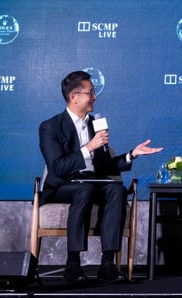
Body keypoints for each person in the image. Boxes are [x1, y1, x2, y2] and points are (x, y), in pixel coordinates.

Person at [38, 70, 163, 283]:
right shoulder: (50, 126)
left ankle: (108, 264)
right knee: (84, 190)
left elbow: (105, 165)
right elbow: (57, 167)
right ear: (74, 97)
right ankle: (73, 263)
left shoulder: (96, 123)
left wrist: (132, 154)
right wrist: (88, 147)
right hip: (64, 184)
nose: (95, 97)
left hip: (93, 180)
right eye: (90, 93)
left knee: (116, 189)